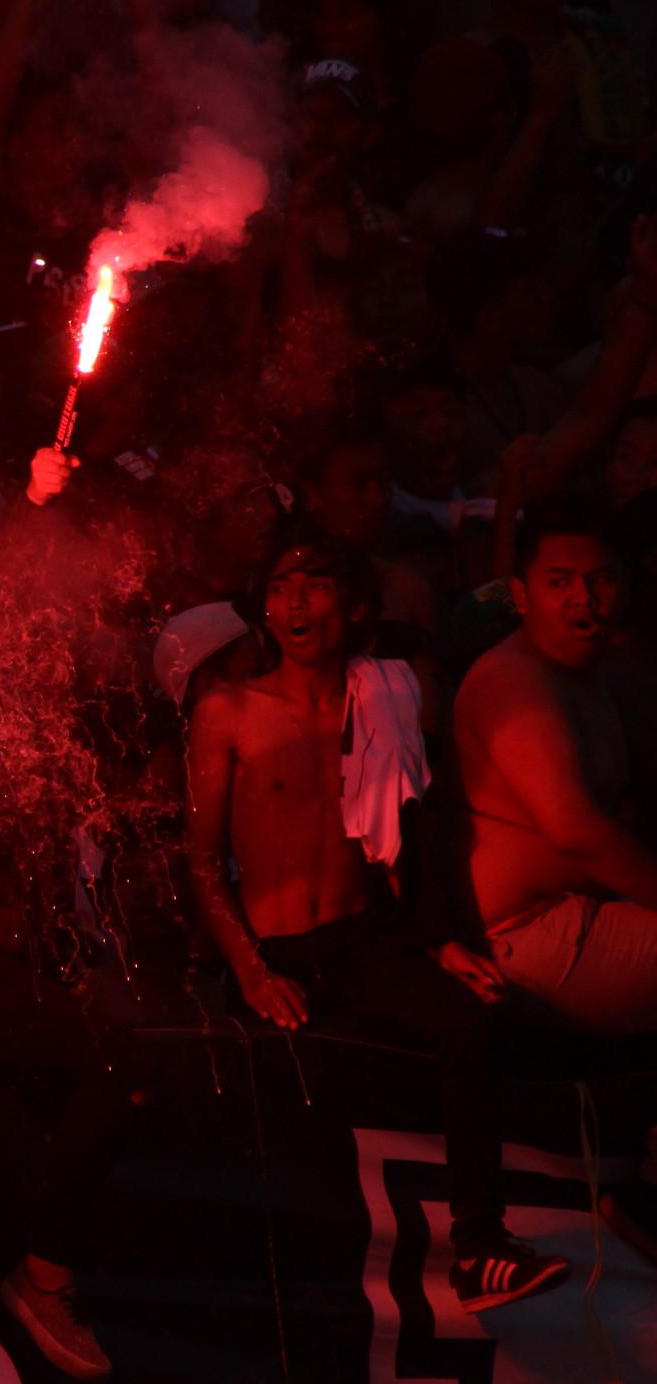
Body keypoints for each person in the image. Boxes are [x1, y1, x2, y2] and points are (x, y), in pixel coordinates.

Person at [186, 524, 567, 1313]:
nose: (297, 601)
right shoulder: (228, 712)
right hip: (277, 948)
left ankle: (480, 1246)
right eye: (283, 586)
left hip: (364, 938)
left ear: (354, 605)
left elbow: (413, 833)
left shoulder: (392, 695)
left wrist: (438, 942)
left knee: (471, 1021)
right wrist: (252, 972)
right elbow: (198, 860)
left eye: (316, 582)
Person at [457, 498, 657, 1031]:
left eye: (601, 580)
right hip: (524, 932)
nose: (583, 600)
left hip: (579, 914)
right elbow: (576, 832)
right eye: (560, 582)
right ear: (521, 594)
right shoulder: (514, 678)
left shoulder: (601, 673)